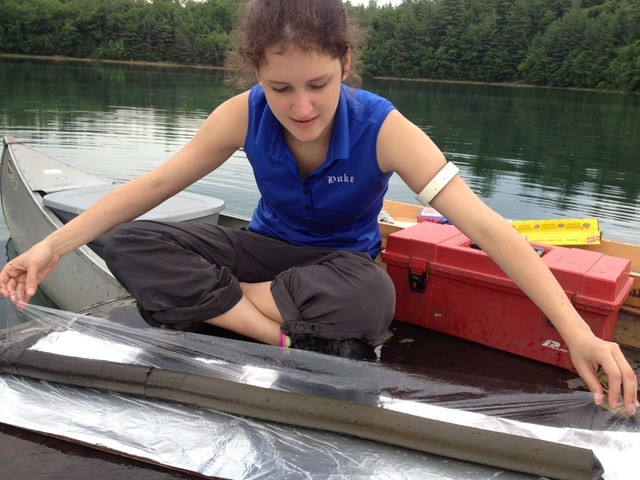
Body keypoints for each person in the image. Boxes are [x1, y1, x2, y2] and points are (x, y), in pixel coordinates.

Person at [0, 0, 637, 413]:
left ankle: (224, 303)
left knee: (374, 299)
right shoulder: (241, 116)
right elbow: (150, 187)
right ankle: (272, 329)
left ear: (345, 65)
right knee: (131, 241)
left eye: (319, 86)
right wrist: (52, 246)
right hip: (266, 250)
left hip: (341, 265)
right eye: (280, 89)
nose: (301, 107)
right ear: (257, 76)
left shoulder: (384, 129)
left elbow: (487, 228)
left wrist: (576, 333)